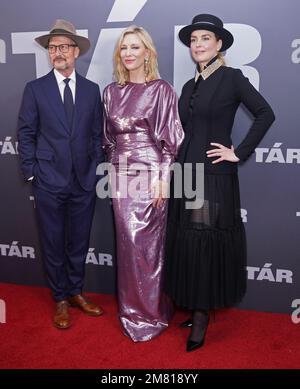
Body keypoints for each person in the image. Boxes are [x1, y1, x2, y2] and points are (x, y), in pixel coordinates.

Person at [164, 14, 275, 351]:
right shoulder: (188, 85)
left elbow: (265, 113)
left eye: (205, 39)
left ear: (219, 44)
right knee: (187, 241)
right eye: (194, 39)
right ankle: (197, 305)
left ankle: (201, 315)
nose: (198, 45)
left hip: (212, 176)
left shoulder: (232, 78)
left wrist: (238, 152)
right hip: (186, 173)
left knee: (203, 243)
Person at [17, 19, 104, 329]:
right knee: (53, 242)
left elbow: (97, 134)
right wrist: (32, 172)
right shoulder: (35, 89)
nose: (58, 52)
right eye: (53, 48)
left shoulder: (93, 90)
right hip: (48, 181)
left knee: (79, 241)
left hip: (84, 180)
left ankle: (76, 292)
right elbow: (26, 133)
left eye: (64, 47)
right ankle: (61, 299)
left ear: (76, 51)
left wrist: (95, 170)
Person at [102, 25, 184, 342]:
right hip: (121, 177)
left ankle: (151, 312)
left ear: (147, 52)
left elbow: (170, 142)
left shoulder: (161, 90)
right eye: (124, 48)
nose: (129, 53)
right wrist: (113, 172)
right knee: (127, 246)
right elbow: (108, 141)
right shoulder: (111, 92)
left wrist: (164, 179)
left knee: (148, 248)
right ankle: (130, 310)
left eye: (135, 47)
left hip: (151, 174)